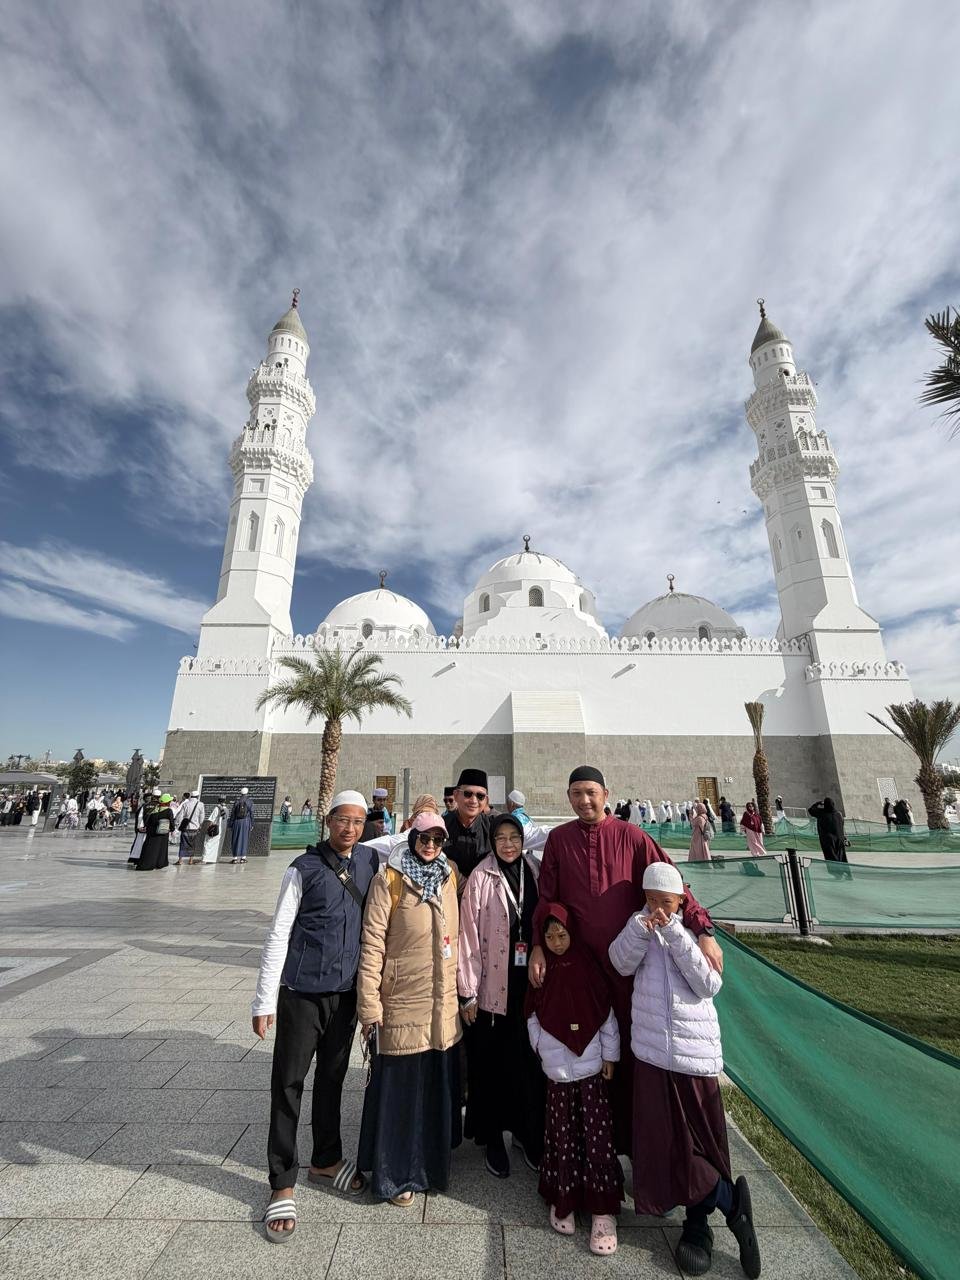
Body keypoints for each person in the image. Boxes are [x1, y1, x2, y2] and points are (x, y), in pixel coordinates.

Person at [529, 766, 719, 1153]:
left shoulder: (632, 837)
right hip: (580, 970)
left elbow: (673, 885)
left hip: (629, 970)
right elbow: (546, 898)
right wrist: (537, 944)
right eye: (577, 793)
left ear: (606, 794)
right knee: (584, 1049)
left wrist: (703, 930)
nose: (585, 800)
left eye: (591, 793)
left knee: (630, 1052)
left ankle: (634, 1145)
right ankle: (587, 1144)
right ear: (569, 797)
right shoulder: (559, 840)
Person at [609, 863, 761, 1279]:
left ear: (681, 901)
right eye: (651, 900)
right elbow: (620, 962)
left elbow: (708, 985)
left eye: (667, 902)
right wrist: (642, 928)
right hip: (653, 1053)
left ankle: (700, 1223)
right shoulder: (637, 924)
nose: (658, 908)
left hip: (694, 1057)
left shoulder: (693, 931)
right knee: (664, 1141)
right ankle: (729, 1202)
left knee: (699, 1144)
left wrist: (677, 933)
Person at [253, 789, 375, 1240]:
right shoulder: (301, 869)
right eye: (343, 821)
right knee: (288, 1084)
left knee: (332, 1079)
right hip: (301, 993)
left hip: (344, 995)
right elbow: (278, 933)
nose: (350, 829)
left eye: (358, 822)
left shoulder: (369, 861)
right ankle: (281, 1181)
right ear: (328, 821)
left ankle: (326, 1159)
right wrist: (263, 1000)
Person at [357, 811, 462, 1205]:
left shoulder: (449, 876)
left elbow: (458, 935)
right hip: (401, 1000)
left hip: (442, 1002)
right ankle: (397, 1175)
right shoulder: (390, 879)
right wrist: (369, 1005)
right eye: (424, 838)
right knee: (401, 1091)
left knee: (432, 1088)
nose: (430, 846)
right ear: (411, 837)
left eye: (438, 839)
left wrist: (463, 993)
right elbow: (372, 945)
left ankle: (430, 1167)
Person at [527, 903, 622, 1255]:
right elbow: (532, 1013)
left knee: (597, 1137)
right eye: (549, 936)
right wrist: (540, 1046)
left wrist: (610, 1055)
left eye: (562, 934)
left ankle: (602, 1209)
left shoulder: (587, 967)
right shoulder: (541, 970)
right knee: (561, 1134)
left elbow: (605, 1013)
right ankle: (563, 1196)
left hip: (590, 1069)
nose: (555, 941)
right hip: (557, 1071)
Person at [458, 812, 544, 1178]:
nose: (508, 844)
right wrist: (468, 993)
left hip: (529, 988)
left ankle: (527, 1133)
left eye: (514, 837)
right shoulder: (481, 876)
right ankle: (493, 1138)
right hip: (492, 990)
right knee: (491, 1066)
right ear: (492, 841)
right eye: (501, 838)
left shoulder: (535, 871)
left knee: (528, 1064)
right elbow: (468, 938)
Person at [807, 797, 851, 877]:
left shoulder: (821, 813)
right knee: (842, 857)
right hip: (839, 839)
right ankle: (847, 874)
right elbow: (841, 827)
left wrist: (818, 803)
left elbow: (811, 810)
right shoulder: (838, 814)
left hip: (828, 840)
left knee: (832, 858)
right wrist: (844, 838)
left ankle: (838, 874)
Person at [137, 793, 174, 871]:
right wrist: (172, 829)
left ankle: (146, 864)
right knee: (160, 849)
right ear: (167, 802)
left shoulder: (155, 809)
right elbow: (171, 822)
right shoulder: (168, 811)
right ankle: (159, 864)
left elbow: (148, 820)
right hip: (162, 833)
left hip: (151, 832)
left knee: (150, 848)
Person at [176, 790, 205, 865]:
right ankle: (191, 860)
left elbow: (180, 816)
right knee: (192, 844)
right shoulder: (200, 804)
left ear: (191, 796)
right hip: (194, 828)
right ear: (198, 796)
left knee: (183, 843)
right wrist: (200, 825)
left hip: (186, 827)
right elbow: (202, 817)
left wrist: (178, 824)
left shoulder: (186, 804)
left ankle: (180, 860)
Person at [228, 787, 254, 863]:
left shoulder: (237, 801)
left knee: (235, 839)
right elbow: (252, 814)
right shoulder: (250, 802)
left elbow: (233, 814)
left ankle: (235, 858)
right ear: (247, 793)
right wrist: (252, 824)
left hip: (237, 822)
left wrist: (231, 824)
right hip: (246, 822)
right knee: (245, 839)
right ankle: (243, 858)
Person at [201, 794, 228, 864]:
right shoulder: (226, 809)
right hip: (221, 830)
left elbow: (211, 820)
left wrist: (208, 828)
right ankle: (214, 859)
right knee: (216, 845)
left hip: (214, 829)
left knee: (208, 843)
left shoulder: (217, 808)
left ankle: (204, 860)